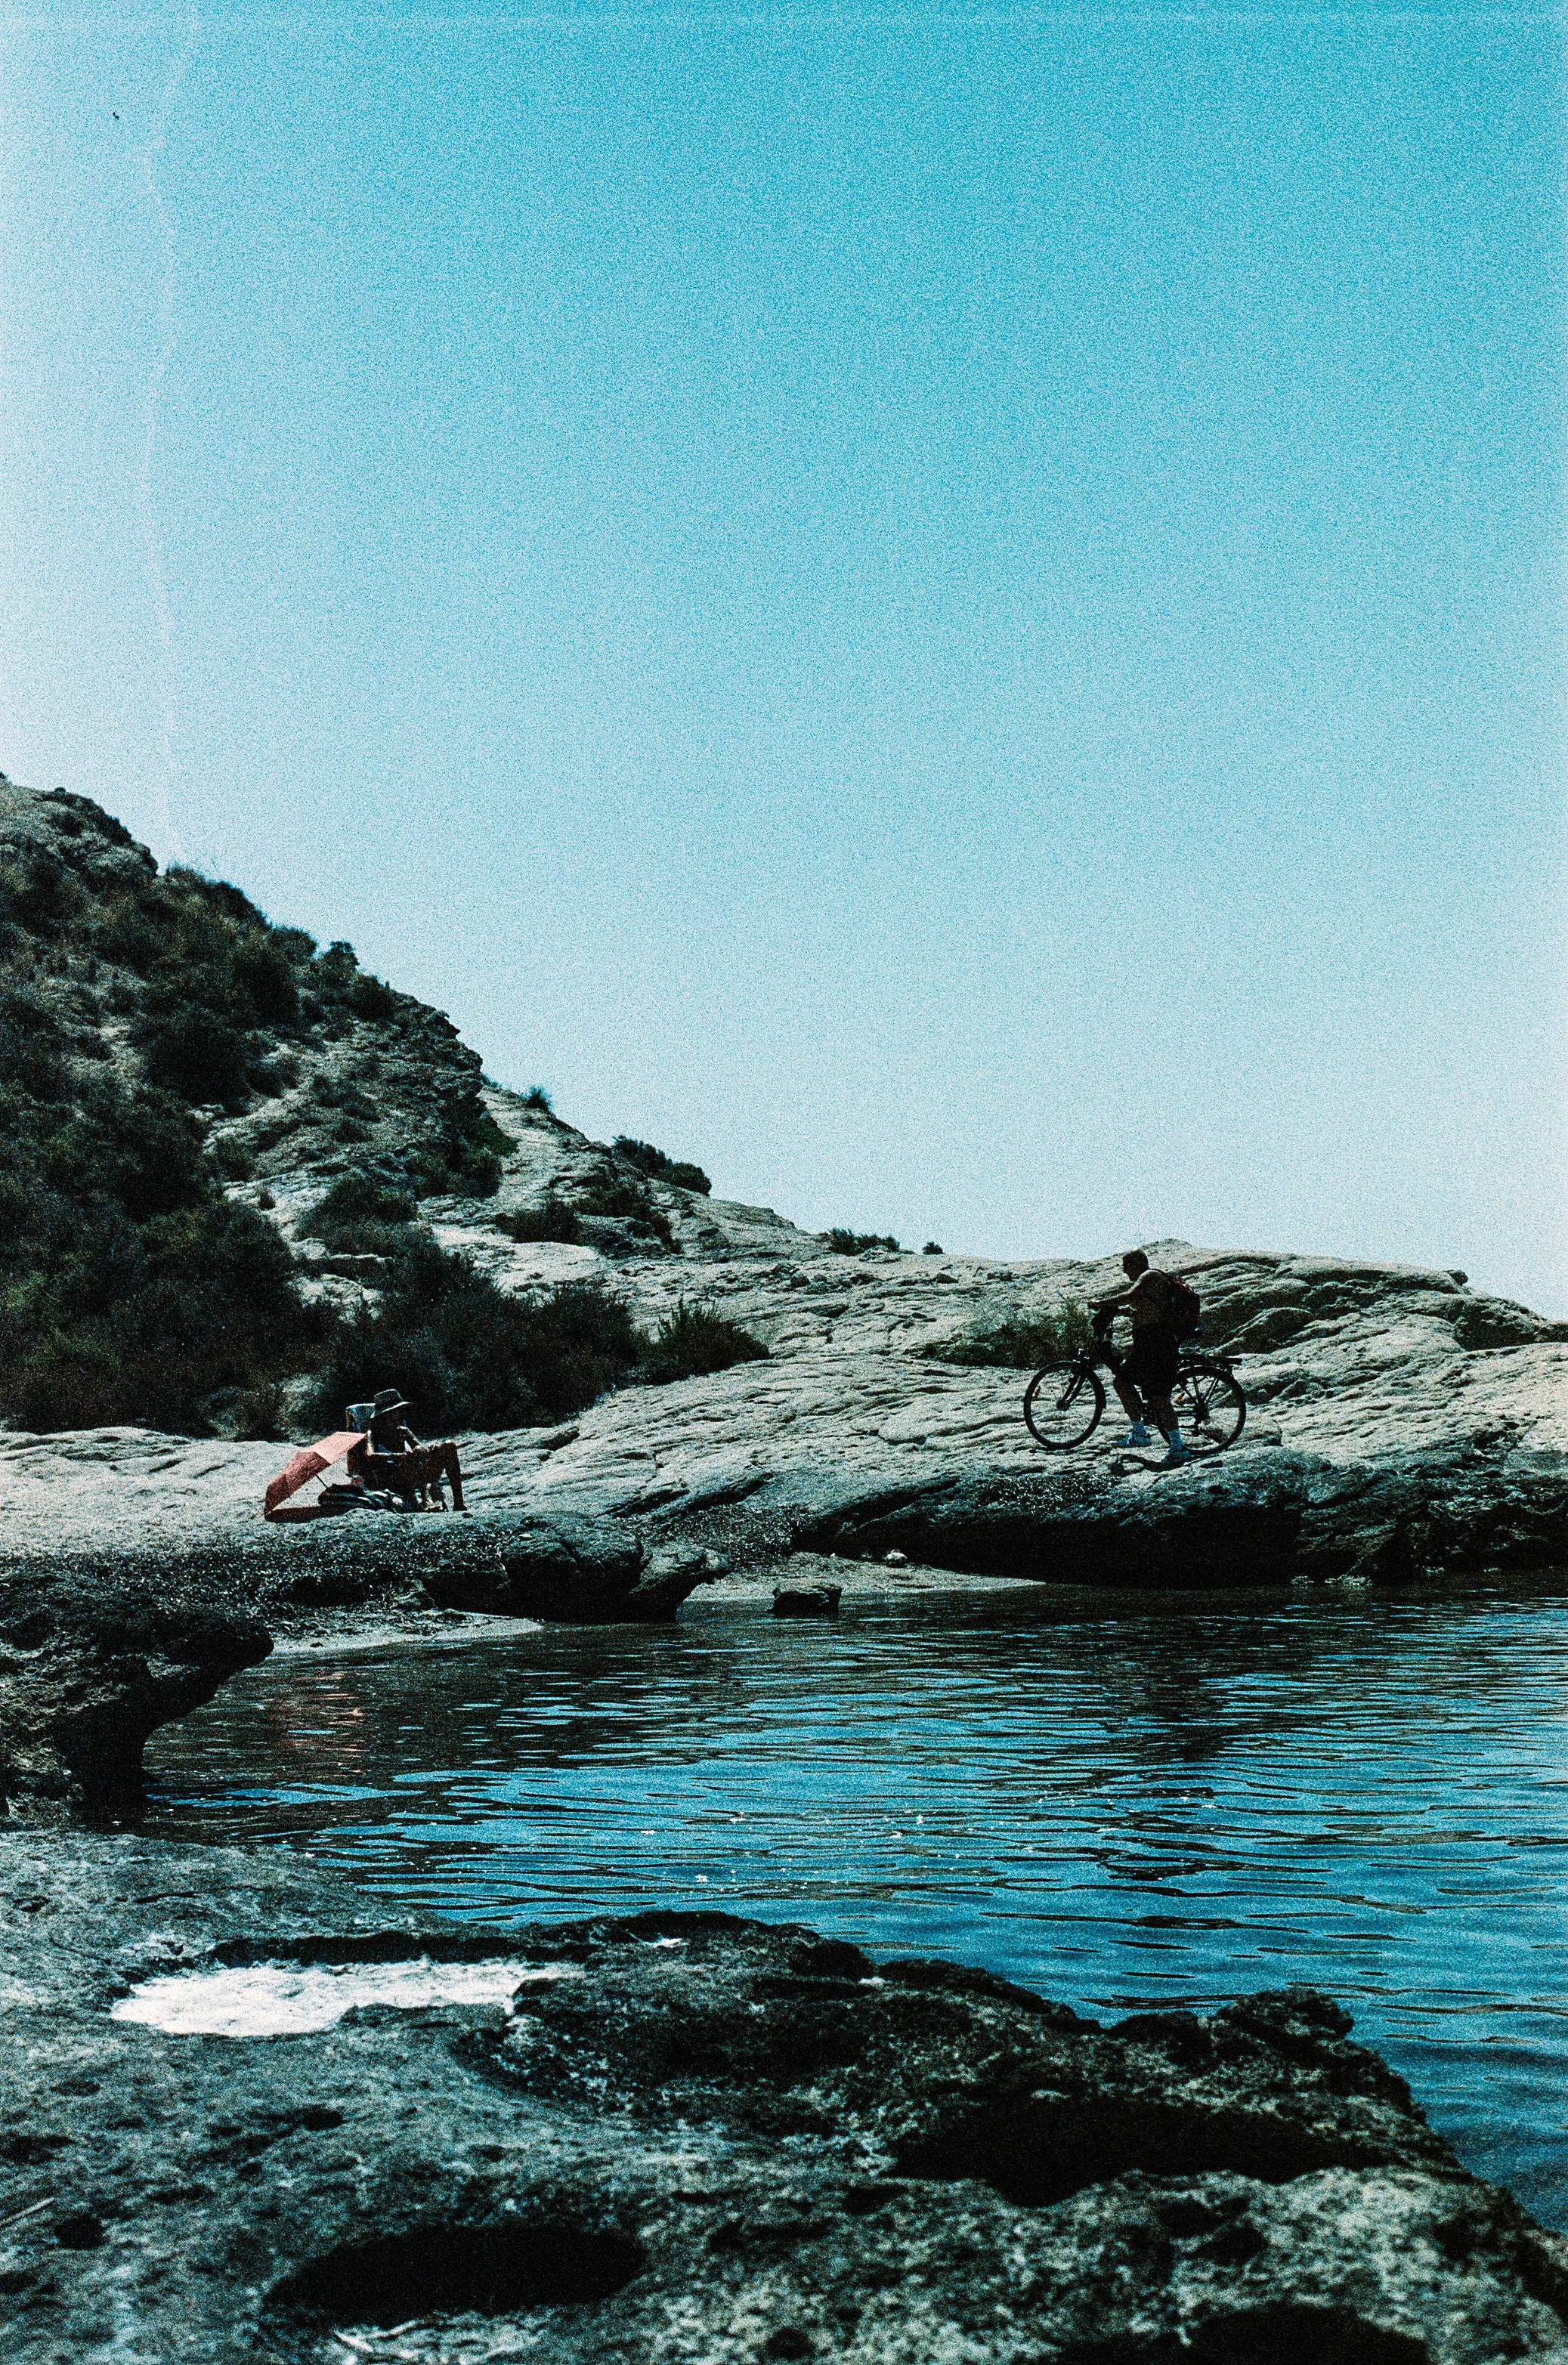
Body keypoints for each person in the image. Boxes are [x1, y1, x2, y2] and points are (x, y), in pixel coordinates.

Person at [1089, 1250, 1191, 1467]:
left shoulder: (1150, 1276)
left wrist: (1101, 1303)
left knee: (1155, 1396)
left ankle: (1171, 1445)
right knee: (1131, 1385)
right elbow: (1138, 1307)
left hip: (1157, 1344)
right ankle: (1146, 1435)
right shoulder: (1151, 1283)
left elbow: (1129, 1296)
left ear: (1138, 1263)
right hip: (1149, 1344)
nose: (1124, 1269)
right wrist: (1121, 1311)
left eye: (1126, 1264)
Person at [345, 1387, 469, 1511]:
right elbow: (370, 1456)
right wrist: (401, 1456)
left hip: (413, 1475)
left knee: (449, 1446)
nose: (402, 1414)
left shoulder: (403, 1431)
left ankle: (459, 1502)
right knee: (410, 1460)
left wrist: (430, 1449)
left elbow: (419, 1448)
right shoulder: (373, 1434)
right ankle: (425, 1502)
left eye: (401, 1410)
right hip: (390, 1478)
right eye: (397, 1411)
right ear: (385, 1415)